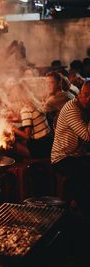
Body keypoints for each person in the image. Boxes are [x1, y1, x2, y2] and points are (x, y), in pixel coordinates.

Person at [51, 81, 90, 215]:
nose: (88, 98)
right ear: (79, 94)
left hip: (78, 154)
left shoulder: (85, 108)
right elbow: (87, 136)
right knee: (83, 172)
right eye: (86, 94)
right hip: (62, 157)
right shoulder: (72, 108)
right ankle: (71, 209)